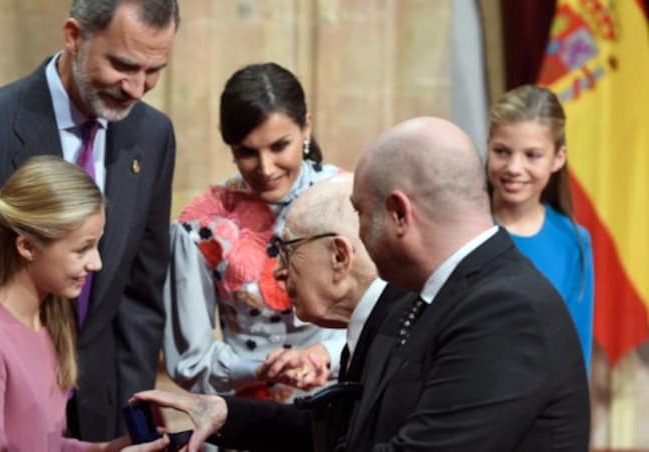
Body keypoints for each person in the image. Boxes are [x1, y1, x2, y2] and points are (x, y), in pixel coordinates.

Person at [142, 117, 591, 451]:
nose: (356, 236)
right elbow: (347, 428)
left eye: (359, 212)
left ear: (399, 214)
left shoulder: (503, 312)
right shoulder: (437, 297)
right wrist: (225, 412)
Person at [0, 1, 180, 450]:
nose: (138, 88)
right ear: (73, 36)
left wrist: (128, 416)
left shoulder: (154, 136)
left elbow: (141, 298)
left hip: (99, 420)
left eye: (154, 70)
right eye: (123, 65)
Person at [137, 174, 409, 451]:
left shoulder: (411, 337)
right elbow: (329, 430)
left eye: (287, 251)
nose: (277, 271)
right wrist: (223, 412)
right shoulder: (377, 326)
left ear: (339, 256)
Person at [0, 156, 168, 452]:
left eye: (96, 246)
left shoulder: (46, 323)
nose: (97, 264)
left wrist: (108, 450)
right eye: (82, 249)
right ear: (26, 246)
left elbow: (45, 445)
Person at [163, 62, 345, 403]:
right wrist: (258, 369)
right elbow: (190, 361)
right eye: (247, 152)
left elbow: (384, 322)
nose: (265, 168)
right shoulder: (200, 226)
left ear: (306, 128)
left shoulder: (349, 200)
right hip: (244, 420)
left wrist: (325, 354)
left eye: (279, 146)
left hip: (341, 413)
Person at [486, 84, 594, 371]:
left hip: (540, 409)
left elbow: (576, 350)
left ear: (558, 158)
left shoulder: (574, 241)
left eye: (532, 155)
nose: (514, 167)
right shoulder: (465, 228)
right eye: (501, 151)